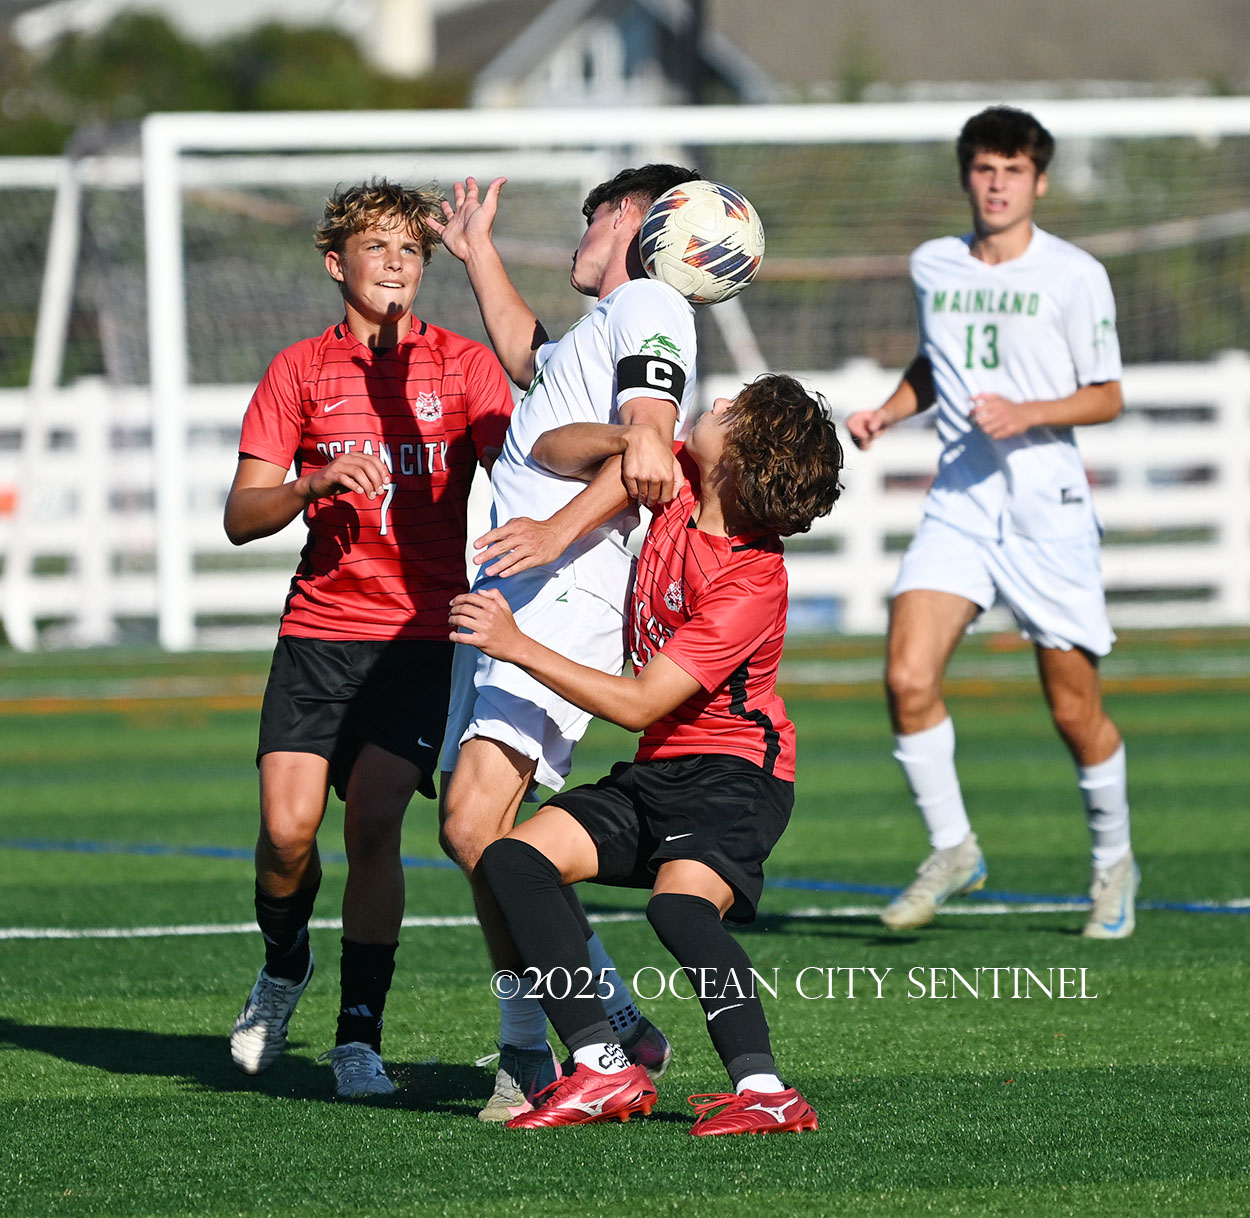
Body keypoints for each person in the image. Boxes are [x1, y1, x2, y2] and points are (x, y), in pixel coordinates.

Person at [450, 373, 844, 1133]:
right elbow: (548, 447)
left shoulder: (750, 582)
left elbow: (638, 703)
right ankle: (602, 1067)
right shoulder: (680, 476)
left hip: (737, 776)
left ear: (740, 460)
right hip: (662, 766)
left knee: (679, 908)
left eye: (734, 411)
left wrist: (515, 644)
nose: (717, 403)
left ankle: (765, 1091)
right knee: (512, 861)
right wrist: (630, 438)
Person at [223, 179, 514, 1096]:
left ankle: (359, 1036)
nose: (397, 264)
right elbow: (240, 516)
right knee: (286, 834)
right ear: (335, 264)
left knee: (376, 818)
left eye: (411, 250)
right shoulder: (298, 371)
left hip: (421, 639)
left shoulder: (465, 366)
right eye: (377, 247)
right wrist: (310, 485)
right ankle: (283, 965)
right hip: (318, 634)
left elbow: (524, 467)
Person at [429, 166, 702, 1121]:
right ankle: (613, 1023)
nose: (578, 240)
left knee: (474, 825)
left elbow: (649, 444)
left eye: (590, 219)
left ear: (628, 215)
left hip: (561, 586)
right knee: (482, 835)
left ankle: (551, 1051)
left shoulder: (653, 303)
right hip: (514, 586)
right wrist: (477, 253)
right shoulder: (605, 327)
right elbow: (527, 356)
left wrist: (555, 532)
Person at [845, 106, 1137, 938]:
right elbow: (938, 363)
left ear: (1039, 182)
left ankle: (1114, 863)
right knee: (907, 677)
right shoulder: (933, 263)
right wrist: (889, 410)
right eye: (984, 168)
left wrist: (1028, 412)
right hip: (961, 503)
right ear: (966, 176)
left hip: (1048, 512)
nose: (997, 184)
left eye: (1013, 170)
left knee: (1074, 712)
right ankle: (954, 850)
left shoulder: (1075, 274)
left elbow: (1108, 395)